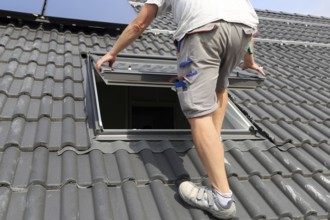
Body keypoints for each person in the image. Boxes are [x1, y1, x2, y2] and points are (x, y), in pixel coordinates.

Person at [96, 0, 265, 219]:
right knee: (220, 87)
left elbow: (141, 23)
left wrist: (113, 51)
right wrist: (249, 60)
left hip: (203, 32)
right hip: (242, 31)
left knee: (198, 111)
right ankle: (216, 149)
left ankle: (222, 199)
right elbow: (247, 32)